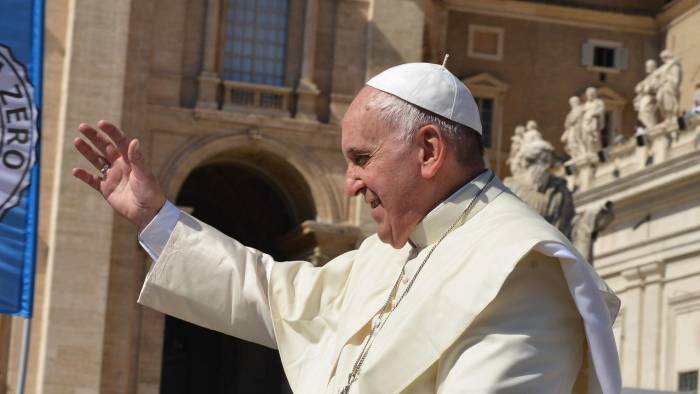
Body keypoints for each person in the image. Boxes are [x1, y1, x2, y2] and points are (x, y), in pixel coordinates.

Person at [72, 62, 621, 393]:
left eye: (361, 157)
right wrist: (154, 217)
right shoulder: (389, 252)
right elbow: (270, 295)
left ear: (429, 150)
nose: (351, 184)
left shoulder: (522, 269)